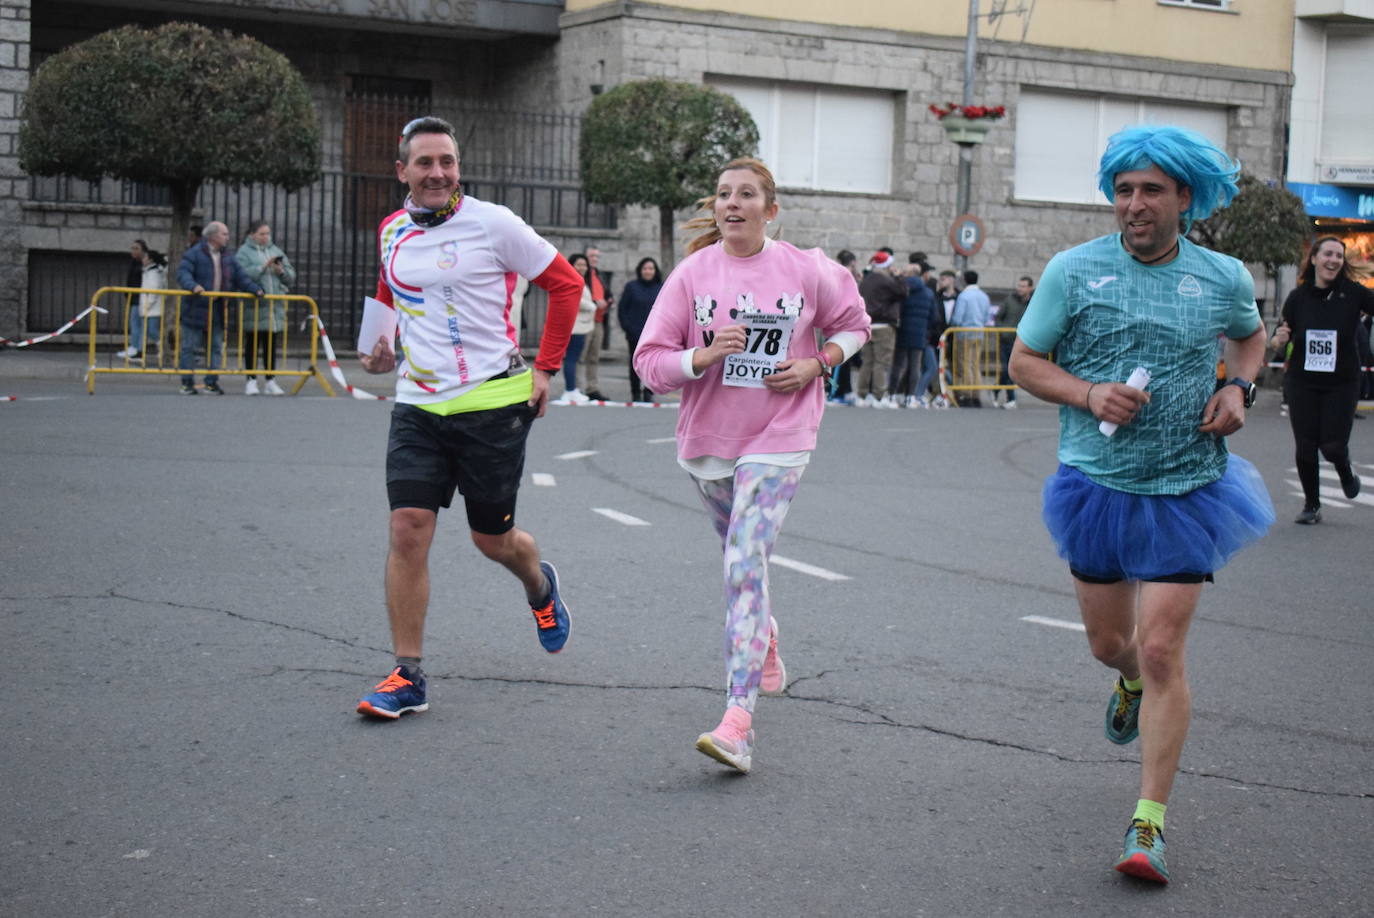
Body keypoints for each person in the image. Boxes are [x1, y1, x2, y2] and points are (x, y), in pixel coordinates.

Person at [1009, 124, 1273, 884]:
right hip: (1096, 485)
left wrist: (1238, 387)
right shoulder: (1073, 269)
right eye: (1123, 190)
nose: (1134, 204)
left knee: (1162, 651)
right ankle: (1122, 681)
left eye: (1151, 190)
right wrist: (1088, 392)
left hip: (1190, 487)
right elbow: (1024, 361)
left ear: (1185, 198)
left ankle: (1147, 826)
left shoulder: (1221, 275)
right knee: (1111, 646)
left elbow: (1251, 343)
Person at [633, 156, 871, 774]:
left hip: (782, 433)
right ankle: (763, 636)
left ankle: (736, 722)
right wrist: (703, 356)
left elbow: (855, 325)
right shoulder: (691, 275)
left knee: (743, 561)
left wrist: (819, 363)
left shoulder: (807, 270)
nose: (731, 204)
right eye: (722, 195)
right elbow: (649, 363)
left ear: (771, 208)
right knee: (744, 560)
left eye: (746, 195)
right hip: (708, 443)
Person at [353, 116, 585, 720]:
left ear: (458, 168)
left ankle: (539, 586)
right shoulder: (391, 230)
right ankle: (408, 674)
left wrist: (546, 368)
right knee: (408, 527)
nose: (438, 173)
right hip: (418, 403)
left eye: (447, 162)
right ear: (401, 170)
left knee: (493, 540)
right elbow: (390, 288)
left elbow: (566, 286)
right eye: (425, 163)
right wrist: (377, 343)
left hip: (492, 404)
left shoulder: (494, 224)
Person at [1270, 236, 1373, 523]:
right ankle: (1312, 506)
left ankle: (1345, 471)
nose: (1333, 260)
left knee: (1332, 447)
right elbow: (1282, 333)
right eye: (1328, 254)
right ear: (1314, 258)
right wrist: (1279, 338)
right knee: (1305, 446)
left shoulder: (1353, 294)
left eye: (1339, 256)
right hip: (1302, 381)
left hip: (1342, 382)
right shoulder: (1298, 298)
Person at [176, 221, 263, 395]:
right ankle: (187, 382)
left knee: (215, 346)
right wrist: (193, 286)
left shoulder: (228, 257)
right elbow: (183, 273)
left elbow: (240, 277)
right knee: (190, 347)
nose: (227, 237)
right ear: (213, 236)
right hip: (196, 306)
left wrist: (255, 289)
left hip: (216, 307)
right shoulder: (194, 254)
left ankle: (211, 381)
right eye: (224, 234)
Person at [235, 221, 297, 396]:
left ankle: (271, 380)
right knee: (252, 343)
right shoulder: (244, 252)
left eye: (267, 234)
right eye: (262, 234)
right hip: (254, 306)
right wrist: (262, 267)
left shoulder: (276, 251)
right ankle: (251, 380)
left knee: (270, 344)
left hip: (273, 307)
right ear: (253, 234)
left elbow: (291, 276)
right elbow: (242, 274)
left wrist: (281, 271)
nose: (266, 237)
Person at [856, 250, 903, 407]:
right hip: (883, 326)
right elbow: (903, 292)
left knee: (867, 362)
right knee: (881, 363)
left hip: (868, 324)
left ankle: (861, 395)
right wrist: (898, 276)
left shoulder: (866, 281)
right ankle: (879, 396)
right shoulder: (886, 281)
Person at [551, 253, 597, 405]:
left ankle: (573, 389)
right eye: (579, 264)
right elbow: (576, 299)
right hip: (575, 326)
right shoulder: (572, 279)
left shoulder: (580, 280)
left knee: (574, 358)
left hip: (580, 325)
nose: (582, 267)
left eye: (584, 265)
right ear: (571, 265)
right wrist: (592, 306)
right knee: (571, 359)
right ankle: (570, 390)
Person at [617, 256, 663, 402]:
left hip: (654, 333)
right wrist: (628, 328)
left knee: (652, 364)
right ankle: (635, 392)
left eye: (651, 268)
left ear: (655, 271)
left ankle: (649, 391)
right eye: (645, 268)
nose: (648, 271)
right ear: (640, 270)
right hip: (634, 333)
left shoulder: (661, 287)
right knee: (635, 364)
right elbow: (622, 309)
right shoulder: (632, 287)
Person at [891, 260, 936, 407]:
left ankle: (893, 394)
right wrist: (926, 331)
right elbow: (933, 317)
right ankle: (910, 396)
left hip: (902, 331)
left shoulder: (901, 288)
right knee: (915, 366)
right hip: (920, 333)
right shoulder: (928, 292)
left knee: (898, 365)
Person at [117, 242, 166, 361]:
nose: (143, 260)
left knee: (151, 330)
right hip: (145, 306)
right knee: (147, 329)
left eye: (145, 258)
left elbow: (153, 291)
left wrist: (147, 305)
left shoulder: (153, 273)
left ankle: (162, 348)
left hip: (151, 307)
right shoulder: (146, 271)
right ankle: (139, 350)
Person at [951, 269, 991, 407]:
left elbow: (957, 317)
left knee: (965, 364)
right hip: (979, 332)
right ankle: (976, 394)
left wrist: (953, 325)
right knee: (975, 364)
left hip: (965, 332)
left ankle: (967, 393)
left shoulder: (964, 296)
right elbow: (987, 317)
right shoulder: (984, 296)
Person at [578, 244, 612, 401]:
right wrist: (595, 301)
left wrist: (609, 300)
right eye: (592, 256)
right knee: (581, 355)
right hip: (585, 321)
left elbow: (606, 292)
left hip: (599, 320)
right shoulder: (581, 275)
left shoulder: (599, 274)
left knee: (594, 356)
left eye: (597, 256)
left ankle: (592, 388)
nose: (595, 259)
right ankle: (578, 388)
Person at [994, 275, 1034, 408]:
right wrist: (1003, 331)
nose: (1020, 289)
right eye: (1019, 286)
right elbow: (998, 318)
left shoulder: (1033, 303)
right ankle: (1010, 399)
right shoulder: (1009, 300)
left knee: (1013, 370)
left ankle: (996, 390)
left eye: (1023, 286)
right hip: (1006, 340)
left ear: (1030, 288)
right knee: (1007, 369)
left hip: (1021, 342)